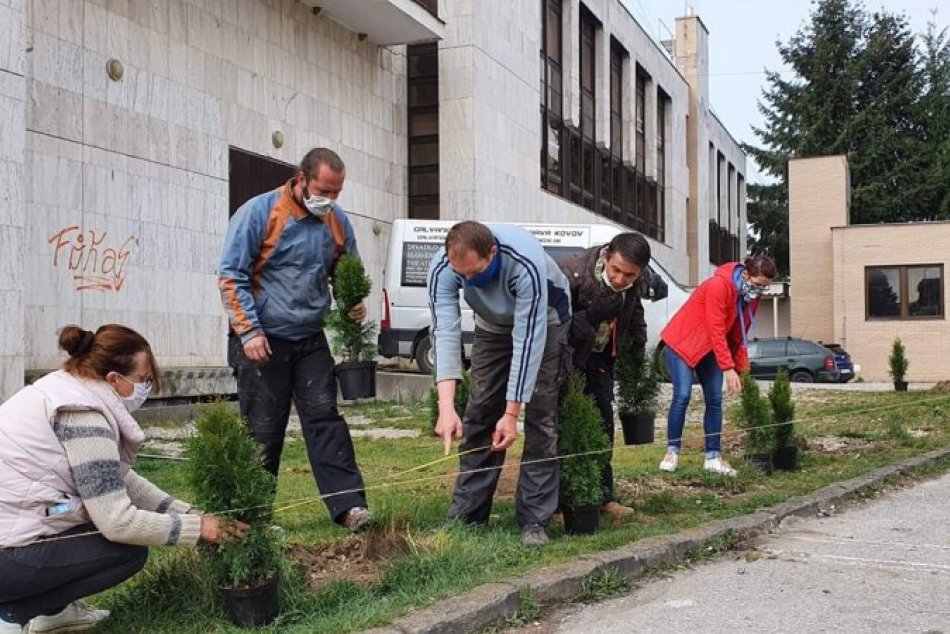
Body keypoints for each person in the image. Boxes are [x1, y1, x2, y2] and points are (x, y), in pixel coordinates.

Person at [0, 325, 245, 633]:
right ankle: (11, 613)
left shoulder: (64, 387)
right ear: (114, 379)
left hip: (13, 534)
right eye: (142, 380)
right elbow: (117, 522)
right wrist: (198, 530)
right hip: (7, 554)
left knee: (91, 525)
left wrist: (190, 515)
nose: (146, 387)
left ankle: (55, 612)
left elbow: (118, 481)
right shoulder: (82, 416)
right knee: (125, 551)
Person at [218, 147, 373, 532]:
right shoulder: (259, 213)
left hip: (309, 338)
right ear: (301, 179)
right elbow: (231, 276)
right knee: (262, 428)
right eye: (324, 190)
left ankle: (349, 507)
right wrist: (249, 332)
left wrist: (352, 304)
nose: (331, 200)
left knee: (325, 419)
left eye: (337, 192)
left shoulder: (336, 221)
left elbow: (345, 270)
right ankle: (251, 518)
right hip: (262, 339)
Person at [428, 221, 571, 548]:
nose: (468, 281)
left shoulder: (524, 263)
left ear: (492, 253)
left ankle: (534, 518)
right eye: (461, 275)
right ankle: (468, 515)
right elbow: (446, 334)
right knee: (478, 412)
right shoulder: (443, 267)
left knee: (541, 417)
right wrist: (446, 409)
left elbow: (527, 340)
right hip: (492, 324)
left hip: (546, 321)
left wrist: (511, 413)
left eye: (475, 274)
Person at [558, 232, 655, 517]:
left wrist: (637, 345)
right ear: (607, 256)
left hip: (600, 358)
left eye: (630, 275)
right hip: (565, 360)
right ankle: (558, 503)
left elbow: (635, 312)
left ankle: (602, 497)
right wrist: (591, 315)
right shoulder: (571, 273)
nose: (620, 279)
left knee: (602, 426)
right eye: (616, 271)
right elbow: (555, 325)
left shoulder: (635, 283)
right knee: (564, 428)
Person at [658, 255, 777, 476]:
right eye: (759, 285)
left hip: (711, 348)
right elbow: (715, 327)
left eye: (765, 288)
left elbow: (738, 334)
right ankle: (672, 452)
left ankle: (713, 458)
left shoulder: (750, 295)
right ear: (746, 274)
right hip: (684, 342)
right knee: (682, 396)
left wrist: (742, 370)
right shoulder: (718, 285)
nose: (760, 290)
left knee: (715, 400)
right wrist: (727, 368)